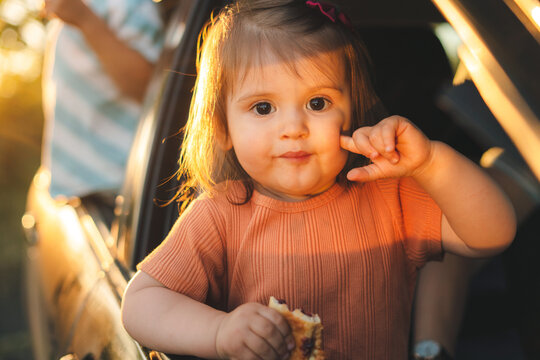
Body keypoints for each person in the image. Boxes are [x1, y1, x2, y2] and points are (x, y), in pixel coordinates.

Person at [120, 1, 517, 359]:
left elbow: (492, 234)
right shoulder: (219, 215)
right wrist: (219, 331)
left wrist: (431, 162)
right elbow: (141, 303)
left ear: (352, 113)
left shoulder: (388, 196)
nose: (294, 127)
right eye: (263, 107)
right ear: (223, 128)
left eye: (318, 103)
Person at [40, 0, 164, 203]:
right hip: (73, 188)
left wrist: (85, 19)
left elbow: (147, 89)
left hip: (115, 189)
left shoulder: (131, 5)